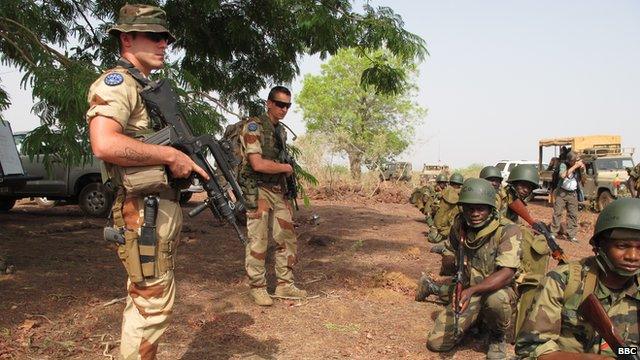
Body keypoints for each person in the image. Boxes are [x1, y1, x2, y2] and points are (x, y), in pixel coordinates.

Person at [86, 4, 208, 359]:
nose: (163, 44)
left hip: (153, 210)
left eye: (165, 38)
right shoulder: (118, 83)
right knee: (152, 308)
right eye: (154, 37)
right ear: (127, 38)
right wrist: (169, 156)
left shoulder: (144, 87)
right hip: (142, 214)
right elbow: (104, 143)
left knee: (146, 303)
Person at [515, 198, 640, 359]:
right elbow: (531, 348)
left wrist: (628, 353)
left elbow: (630, 351)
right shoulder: (565, 280)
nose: (632, 256)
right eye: (622, 246)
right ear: (600, 245)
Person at [426, 178, 522, 359]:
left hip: (496, 290)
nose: (475, 213)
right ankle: (475, 322)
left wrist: (472, 290)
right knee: (436, 343)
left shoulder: (508, 230)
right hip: (469, 291)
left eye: (481, 208)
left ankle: (497, 336)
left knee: (496, 300)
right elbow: (451, 248)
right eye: (470, 208)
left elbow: (507, 273)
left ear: (491, 209)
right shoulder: (460, 224)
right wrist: (450, 261)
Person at [240, 86, 307, 306]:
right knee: (258, 239)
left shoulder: (281, 132)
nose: (284, 109)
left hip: (278, 191)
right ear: (268, 103)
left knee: (286, 237)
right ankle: (258, 287)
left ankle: (284, 284)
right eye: (279, 104)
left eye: (287, 105)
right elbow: (257, 163)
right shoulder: (253, 126)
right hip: (258, 189)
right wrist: (285, 168)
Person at [550, 151, 585, 242]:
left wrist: (582, 168)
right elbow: (562, 175)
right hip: (561, 192)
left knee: (573, 215)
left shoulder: (577, 167)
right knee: (557, 212)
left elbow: (584, 178)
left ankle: (571, 235)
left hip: (572, 193)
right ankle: (553, 233)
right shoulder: (563, 165)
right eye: (573, 161)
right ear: (569, 160)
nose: (575, 162)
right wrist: (575, 166)